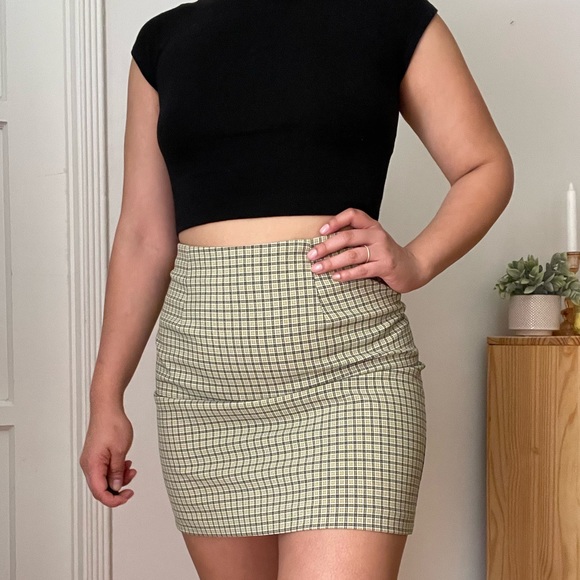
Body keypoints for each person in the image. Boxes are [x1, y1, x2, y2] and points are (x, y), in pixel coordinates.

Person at [79, 0, 514, 577]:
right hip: (203, 392)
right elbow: (142, 236)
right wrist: (105, 398)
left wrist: (418, 260)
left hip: (349, 376)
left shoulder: (392, 17)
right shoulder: (163, 41)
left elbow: (484, 165)